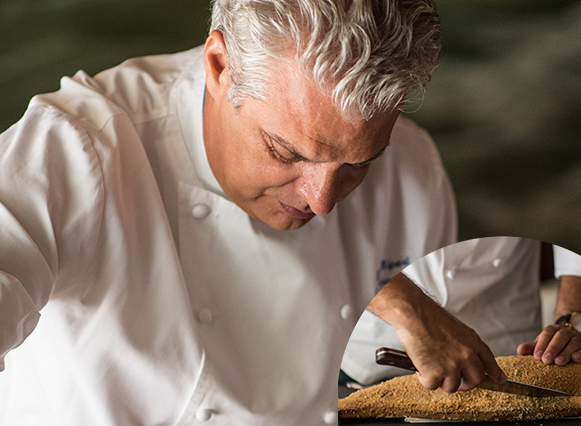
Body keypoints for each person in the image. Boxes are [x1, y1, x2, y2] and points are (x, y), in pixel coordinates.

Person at [0, 1, 457, 424]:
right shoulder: (79, 149)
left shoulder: (414, 169)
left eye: (358, 165)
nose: (321, 201)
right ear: (220, 66)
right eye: (284, 152)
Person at [341, 237, 581, 392]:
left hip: (505, 363)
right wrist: (414, 317)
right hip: (364, 362)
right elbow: (339, 249)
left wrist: (572, 321)